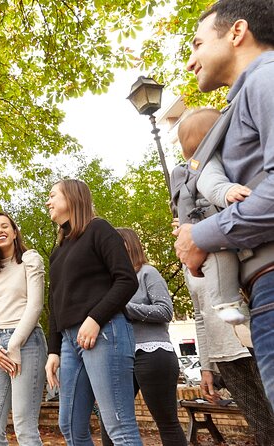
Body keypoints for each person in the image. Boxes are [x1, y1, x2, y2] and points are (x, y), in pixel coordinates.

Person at [174, 0, 274, 408]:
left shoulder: (266, 79)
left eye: (197, 44)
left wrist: (201, 234)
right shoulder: (249, 96)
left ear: (236, 32)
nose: (191, 61)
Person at [173, 109, 274, 445]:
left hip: (250, 336)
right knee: (262, 425)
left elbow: (218, 187)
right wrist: (205, 365)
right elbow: (200, 315)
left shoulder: (220, 179)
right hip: (226, 347)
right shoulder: (195, 247)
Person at [45, 179, 142, 446]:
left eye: (53, 195)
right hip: (69, 341)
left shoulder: (99, 230)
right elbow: (56, 303)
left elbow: (126, 280)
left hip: (104, 334)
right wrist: (53, 351)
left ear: (73, 198)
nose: (48, 201)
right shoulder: (58, 250)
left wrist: (95, 318)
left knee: (119, 427)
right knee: (70, 427)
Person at [98, 228, 186, 446]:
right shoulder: (112, 283)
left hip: (153, 353)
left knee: (166, 422)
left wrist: (124, 308)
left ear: (128, 245)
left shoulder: (147, 273)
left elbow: (165, 311)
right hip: (122, 357)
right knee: (111, 424)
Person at [0, 212, 46, 446]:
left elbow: (35, 305)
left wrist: (14, 343)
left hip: (27, 342)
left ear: (14, 232)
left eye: (5, 226)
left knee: (24, 427)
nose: (0, 231)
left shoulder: (29, 259)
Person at [175, 108, 250, 325]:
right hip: (212, 231)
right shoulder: (207, 162)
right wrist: (227, 192)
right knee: (221, 260)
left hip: (215, 228)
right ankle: (225, 304)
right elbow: (211, 184)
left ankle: (232, 304)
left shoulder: (196, 166)